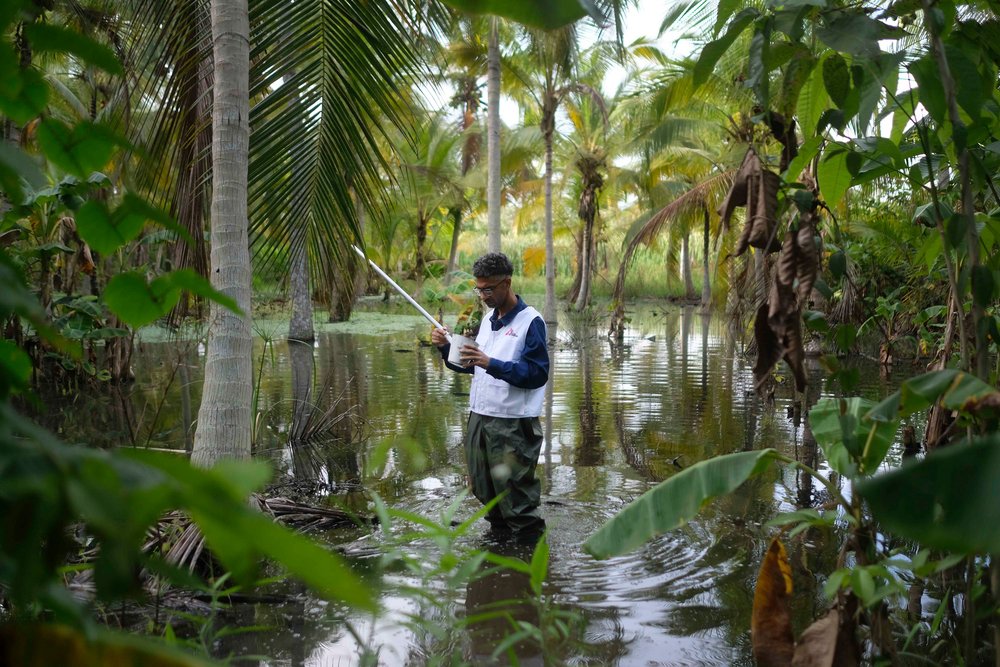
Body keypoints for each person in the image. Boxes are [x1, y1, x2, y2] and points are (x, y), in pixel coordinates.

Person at [431, 252, 549, 539]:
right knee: (484, 488)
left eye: (489, 289)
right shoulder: (487, 320)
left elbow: (536, 374)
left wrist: (489, 362)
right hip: (480, 417)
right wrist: (446, 349)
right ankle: (499, 545)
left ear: (506, 283)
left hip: (512, 424)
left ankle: (531, 557)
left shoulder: (530, 322)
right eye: (479, 288)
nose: (483, 295)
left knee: (516, 497)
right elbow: (474, 367)